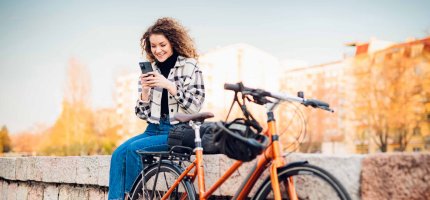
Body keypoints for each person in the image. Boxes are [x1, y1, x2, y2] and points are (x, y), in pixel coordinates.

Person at [108, 17, 205, 200]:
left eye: (162, 45)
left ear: (173, 42)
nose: (158, 50)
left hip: (178, 130)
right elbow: (141, 114)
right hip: (153, 129)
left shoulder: (189, 66)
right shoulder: (151, 69)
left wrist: (169, 85)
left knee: (134, 150)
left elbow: (195, 106)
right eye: (153, 46)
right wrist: (145, 92)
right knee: (118, 154)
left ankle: (130, 196)